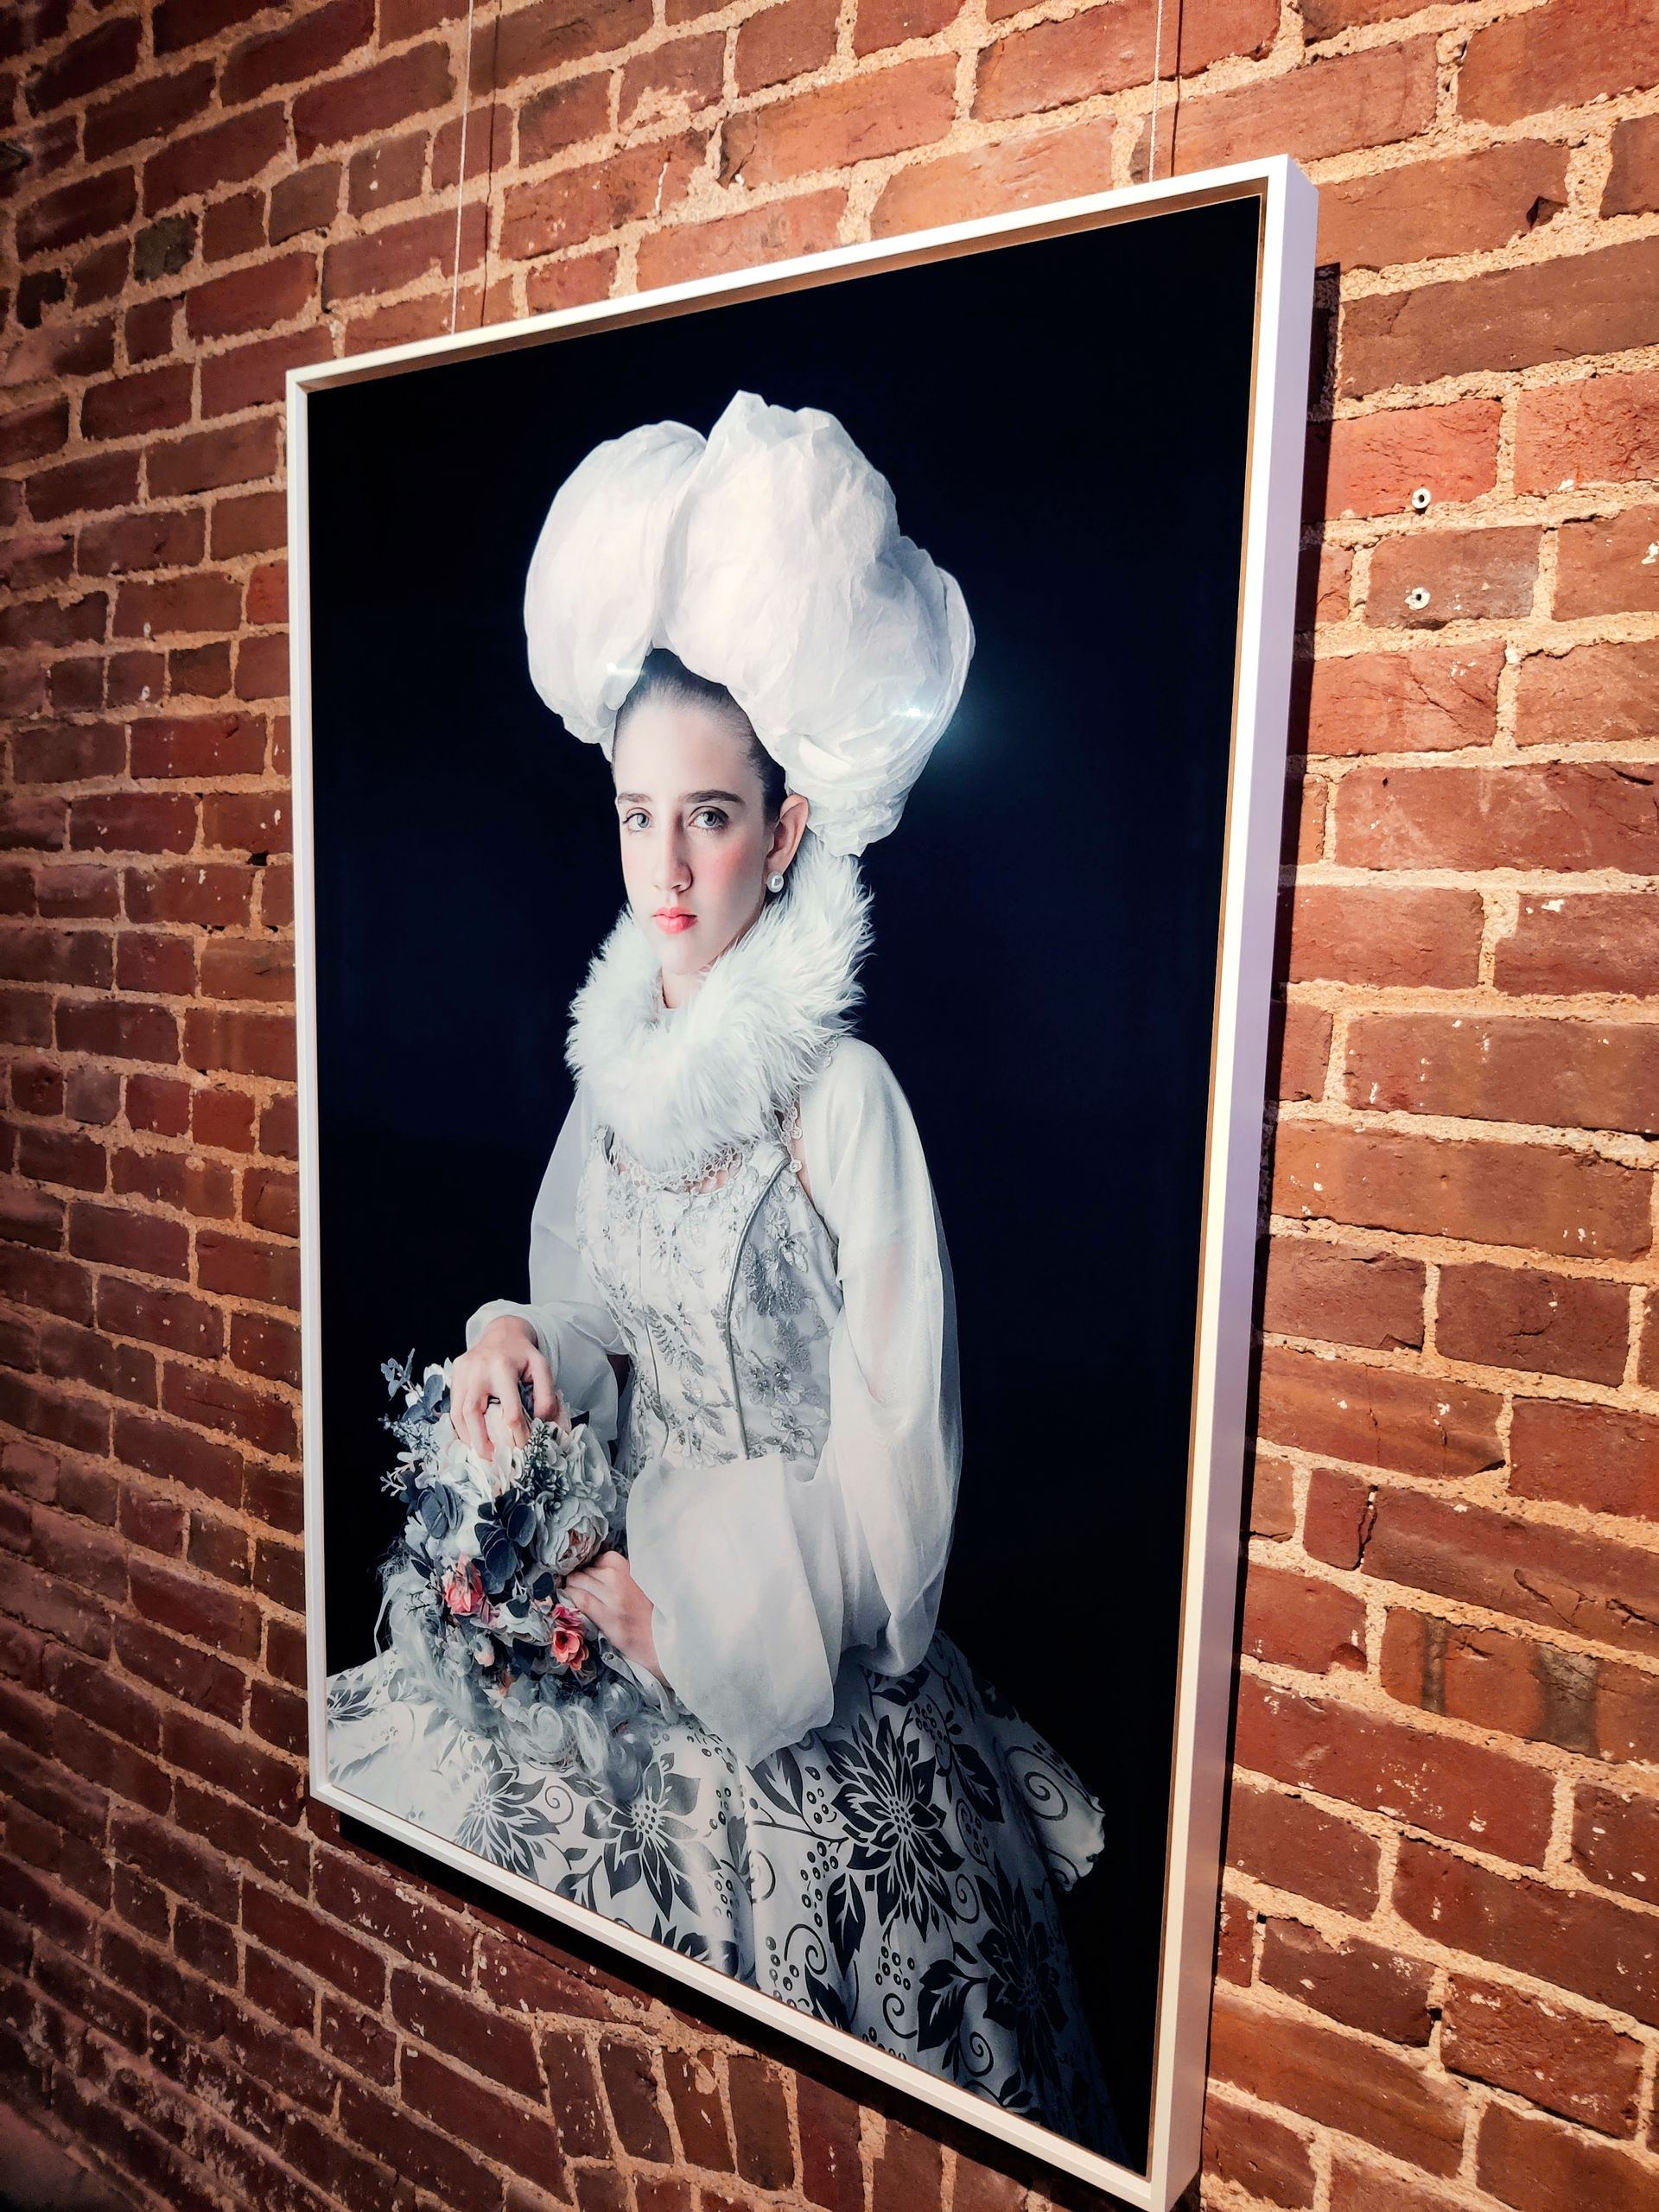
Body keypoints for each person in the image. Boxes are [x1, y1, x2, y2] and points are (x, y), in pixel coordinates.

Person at [327, 394, 1120, 2154]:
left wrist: (693, 1624)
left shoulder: (847, 1100)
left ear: (785, 828)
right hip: (604, 1582)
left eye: (709, 816)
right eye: (637, 817)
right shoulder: (612, 1079)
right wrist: (519, 1340)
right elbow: (594, 1310)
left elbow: (898, 1485)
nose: (668, 869)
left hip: (786, 1654)